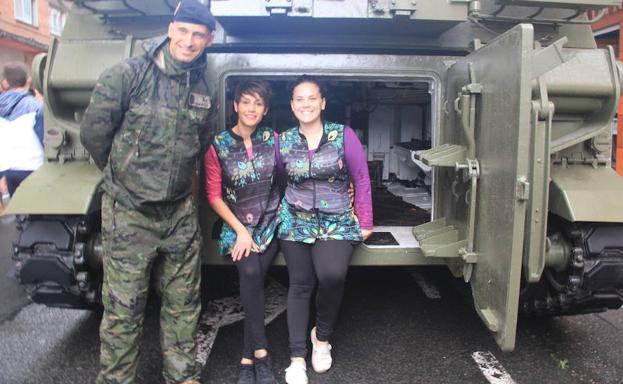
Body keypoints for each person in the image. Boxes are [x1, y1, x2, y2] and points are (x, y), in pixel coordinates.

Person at [79, 1, 216, 383]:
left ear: (209, 39)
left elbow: (200, 143)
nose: (189, 41)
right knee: (124, 309)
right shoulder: (128, 75)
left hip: (178, 213)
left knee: (184, 304)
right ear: (171, 29)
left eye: (198, 35)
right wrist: (124, 176)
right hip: (130, 211)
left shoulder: (202, 87)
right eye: (184, 31)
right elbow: (94, 135)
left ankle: (182, 375)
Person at [278, 75, 373, 384]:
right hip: (296, 220)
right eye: (299, 99)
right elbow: (278, 178)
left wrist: (366, 219)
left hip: (337, 219)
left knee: (332, 276)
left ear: (322, 102)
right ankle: (296, 358)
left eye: (311, 98)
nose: (306, 104)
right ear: (292, 105)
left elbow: (361, 177)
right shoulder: (284, 140)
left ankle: (322, 339)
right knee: (300, 285)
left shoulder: (342, 135)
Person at [204, 80, 280, 384]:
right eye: (246, 102)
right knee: (250, 273)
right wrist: (241, 231)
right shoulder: (218, 145)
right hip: (237, 227)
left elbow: (293, 176)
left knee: (255, 275)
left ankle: (248, 358)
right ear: (235, 106)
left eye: (258, 103)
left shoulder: (273, 140)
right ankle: (261, 353)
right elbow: (214, 196)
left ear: (265, 110)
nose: (251, 109)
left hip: (272, 223)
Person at [0, 62, 44, 197]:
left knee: (12, 214)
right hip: (33, 170)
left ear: (5, 83)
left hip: (5, 172)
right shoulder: (36, 107)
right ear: (29, 80)